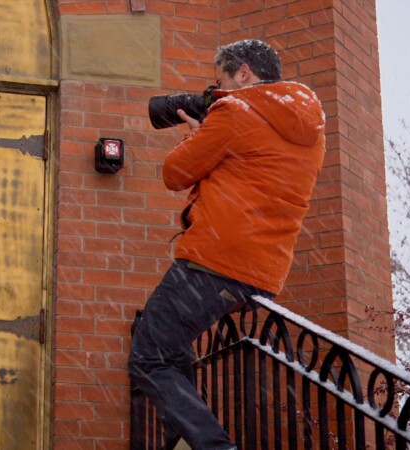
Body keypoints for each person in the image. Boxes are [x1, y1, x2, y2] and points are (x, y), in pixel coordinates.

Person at [128, 39, 326, 449]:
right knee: (169, 345)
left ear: (244, 73)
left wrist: (194, 135)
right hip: (262, 271)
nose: (214, 91)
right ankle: (181, 441)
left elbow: (175, 173)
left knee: (148, 355)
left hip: (214, 260)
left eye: (220, 80)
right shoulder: (308, 127)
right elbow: (255, 168)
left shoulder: (235, 111)